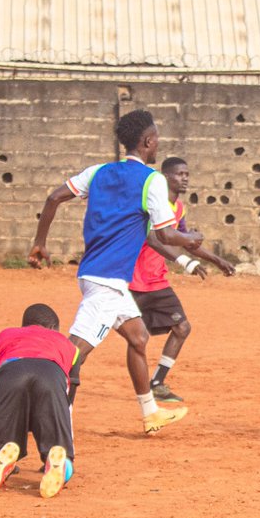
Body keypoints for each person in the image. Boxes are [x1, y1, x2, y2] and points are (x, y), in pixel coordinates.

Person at [27, 109, 204, 433]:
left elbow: (53, 198)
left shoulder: (98, 172)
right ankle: (40, 414)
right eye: (156, 138)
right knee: (72, 354)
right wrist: (191, 238)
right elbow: (166, 235)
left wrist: (40, 242)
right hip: (106, 281)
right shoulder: (151, 180)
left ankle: (150, 413)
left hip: (99, 275)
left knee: (138, 337)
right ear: (147, 141)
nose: (158, 143)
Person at [130, 156, 236, 403]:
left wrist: (217, 260)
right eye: (180, 174)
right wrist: (185, 262)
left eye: (187, 174)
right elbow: (153, 239)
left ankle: (157, 383)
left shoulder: (179, 208)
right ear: (165, 177)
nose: (185, 178)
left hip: (156, 281)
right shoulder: (155, 204)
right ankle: (66, 370)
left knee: (181, 328)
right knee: (125, 335)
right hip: (133, 280)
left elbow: (187, 241)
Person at [0, 304, 78, 499]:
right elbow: (68, 399)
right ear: (53, 329)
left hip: (10, 372)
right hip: (50, 373)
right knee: (61, 434)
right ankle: (61, 462)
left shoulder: (1, 337)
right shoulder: (69, 346)